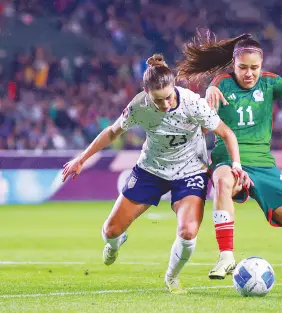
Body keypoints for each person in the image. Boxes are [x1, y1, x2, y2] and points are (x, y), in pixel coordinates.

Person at [62, 54, 251, 294]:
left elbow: (227, 134)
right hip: (151, 170)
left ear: (175, 88)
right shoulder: (139, 106)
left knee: (188, 232)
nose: (165, 105)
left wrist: (236, 164)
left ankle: (171, 277)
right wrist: (81, 159)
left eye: (169, 97)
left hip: (190, 171)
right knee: (110, 231)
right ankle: (116, 243)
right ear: (146, 93)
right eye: (158, 100)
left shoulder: (193, 103)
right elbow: (111, 133)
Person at [177, 31, 282, 291]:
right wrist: (209, 97)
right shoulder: (221, 83)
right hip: (228, 158)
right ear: (233, 65)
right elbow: (206, 118)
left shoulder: (270, 83)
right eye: (243, 68)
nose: (249, 73)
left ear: (262, 66)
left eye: (254, 68)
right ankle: (226, 255)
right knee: (222, 179)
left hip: (264, 165)